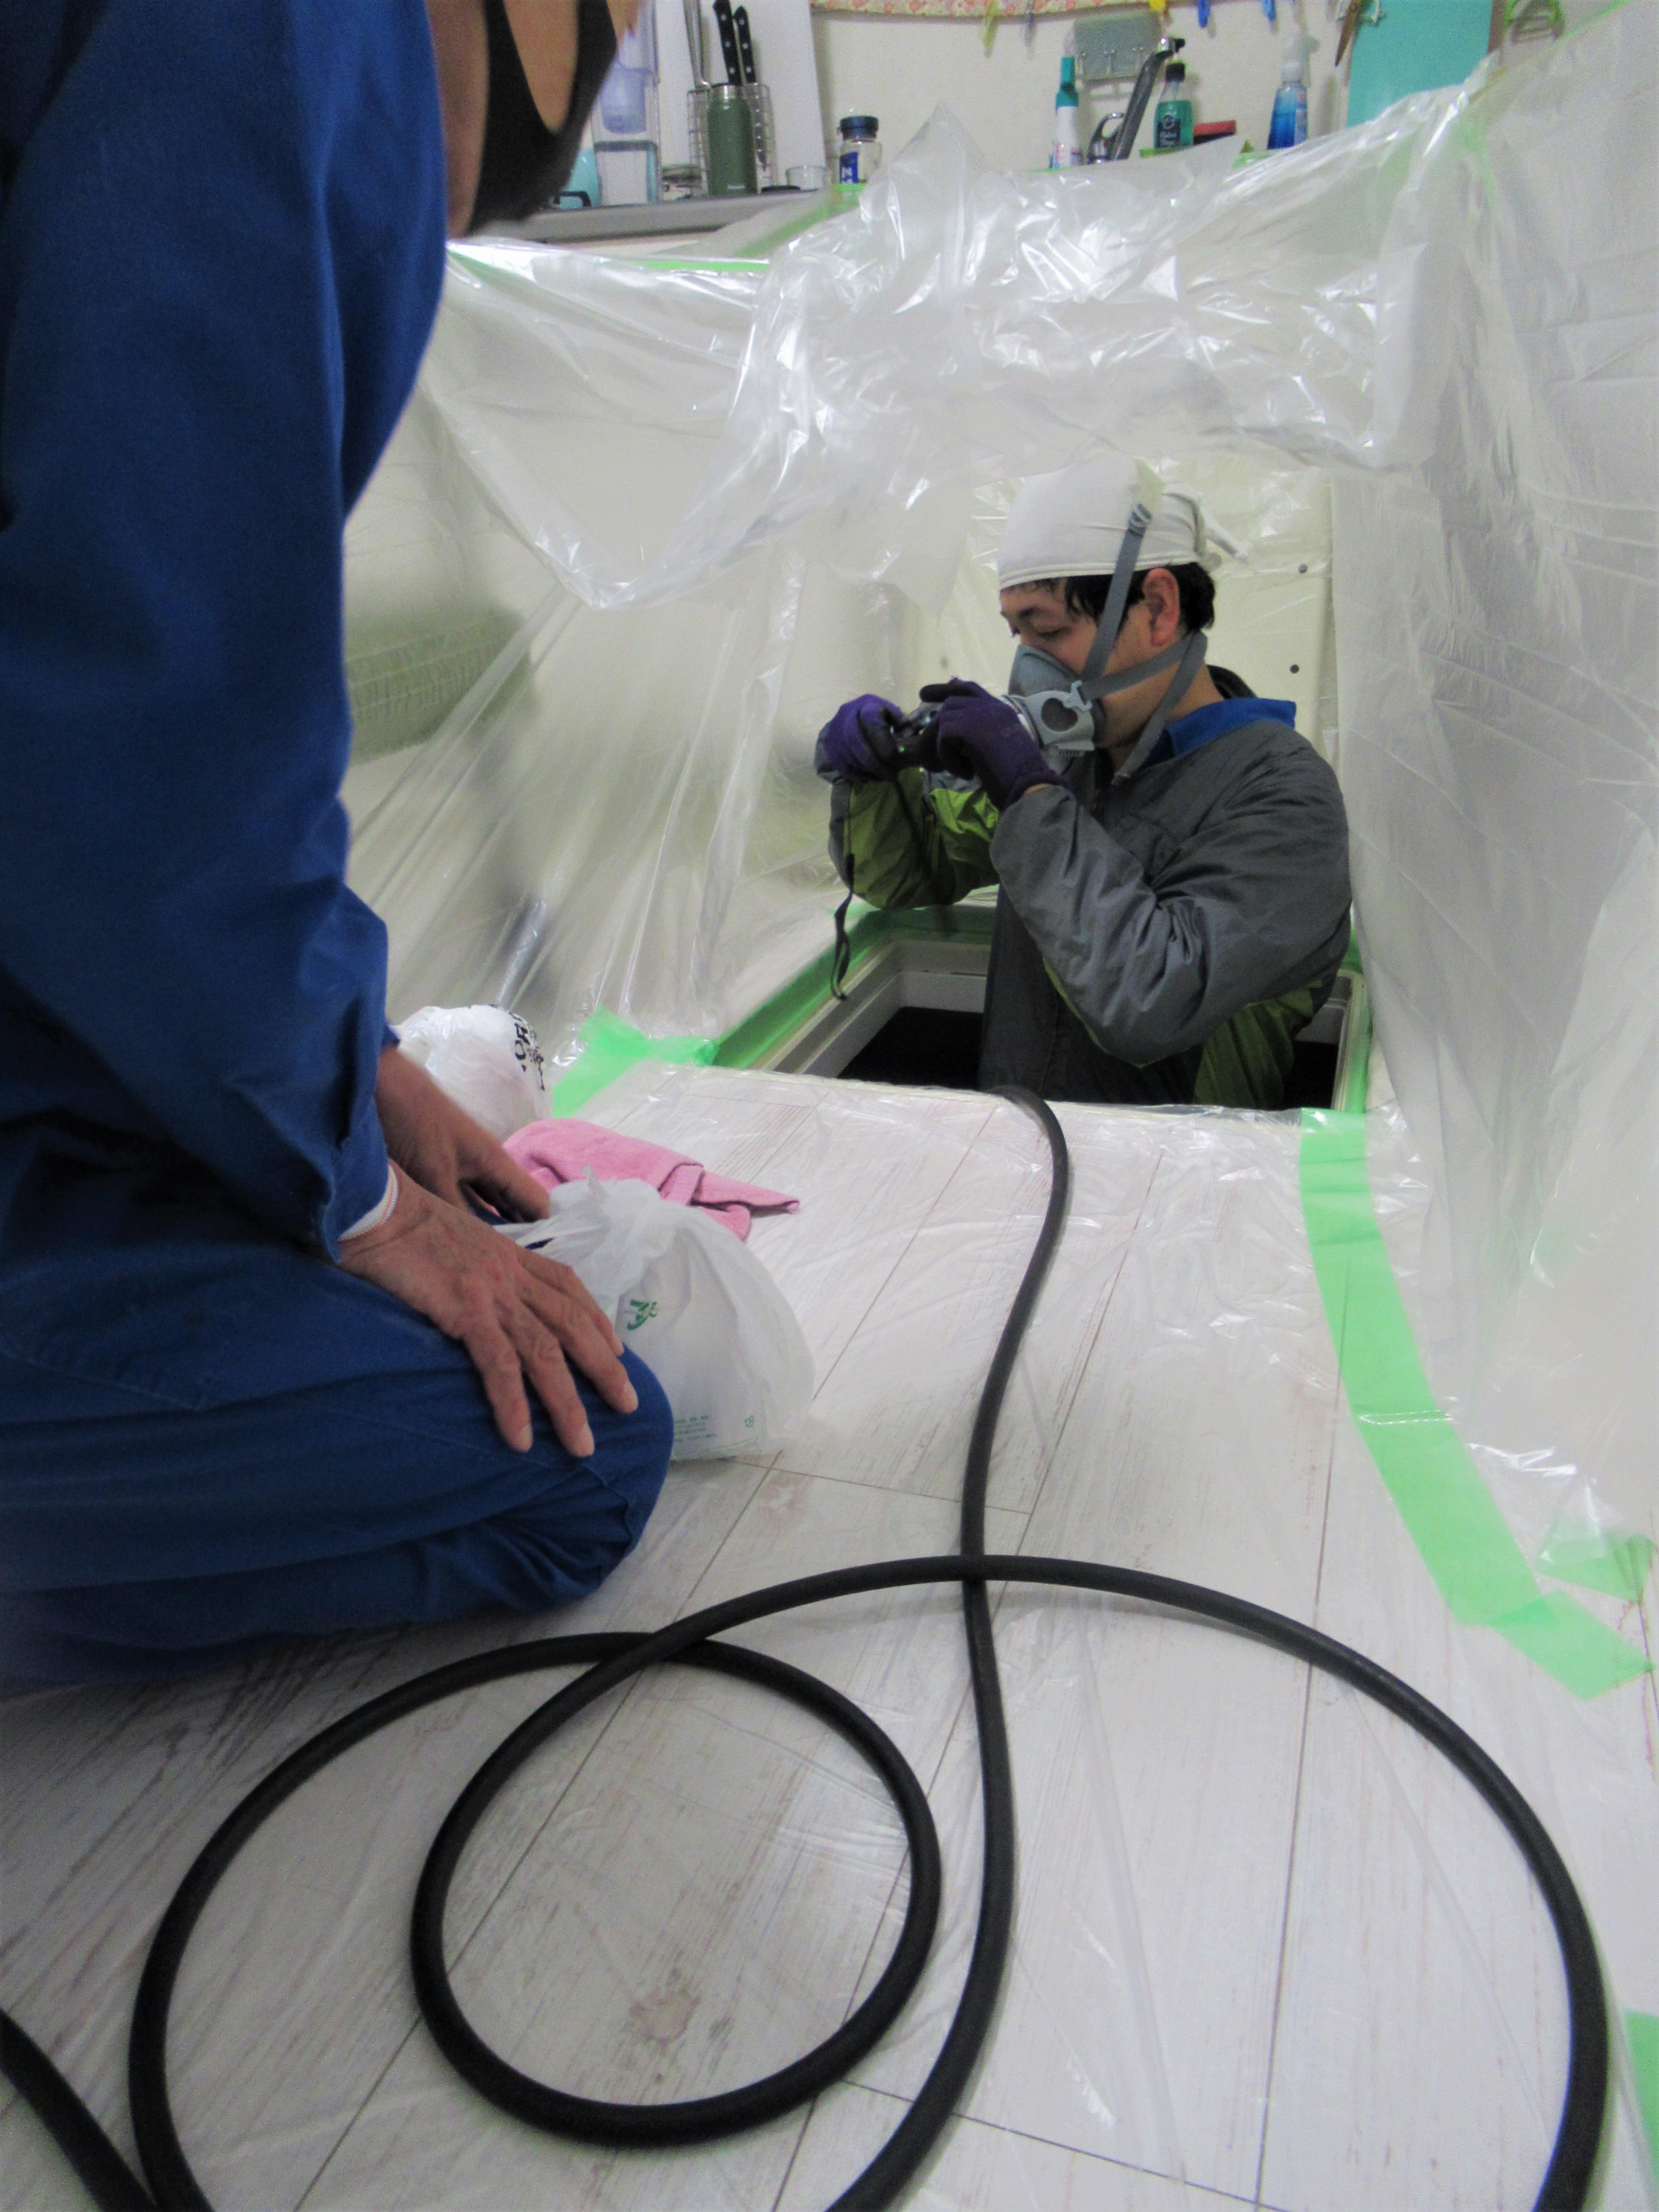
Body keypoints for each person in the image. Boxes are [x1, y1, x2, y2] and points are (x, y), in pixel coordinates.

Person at [0, 0, 674, 1681]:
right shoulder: (283, 30)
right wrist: (361, 1197)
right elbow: (150, 716)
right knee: (581, 1461)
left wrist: (349, 1071)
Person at [815, 456, 1353, 1109]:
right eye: (1018, 635)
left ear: (1158, 609)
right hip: (1016, 1142)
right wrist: (876, 774)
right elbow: (909, 873)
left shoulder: (1284, 796)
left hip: (1177, 1165)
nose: (1027, 668)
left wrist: (1029, 792)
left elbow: (1150, 1002)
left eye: (1048, 630)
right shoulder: (1074, 759)